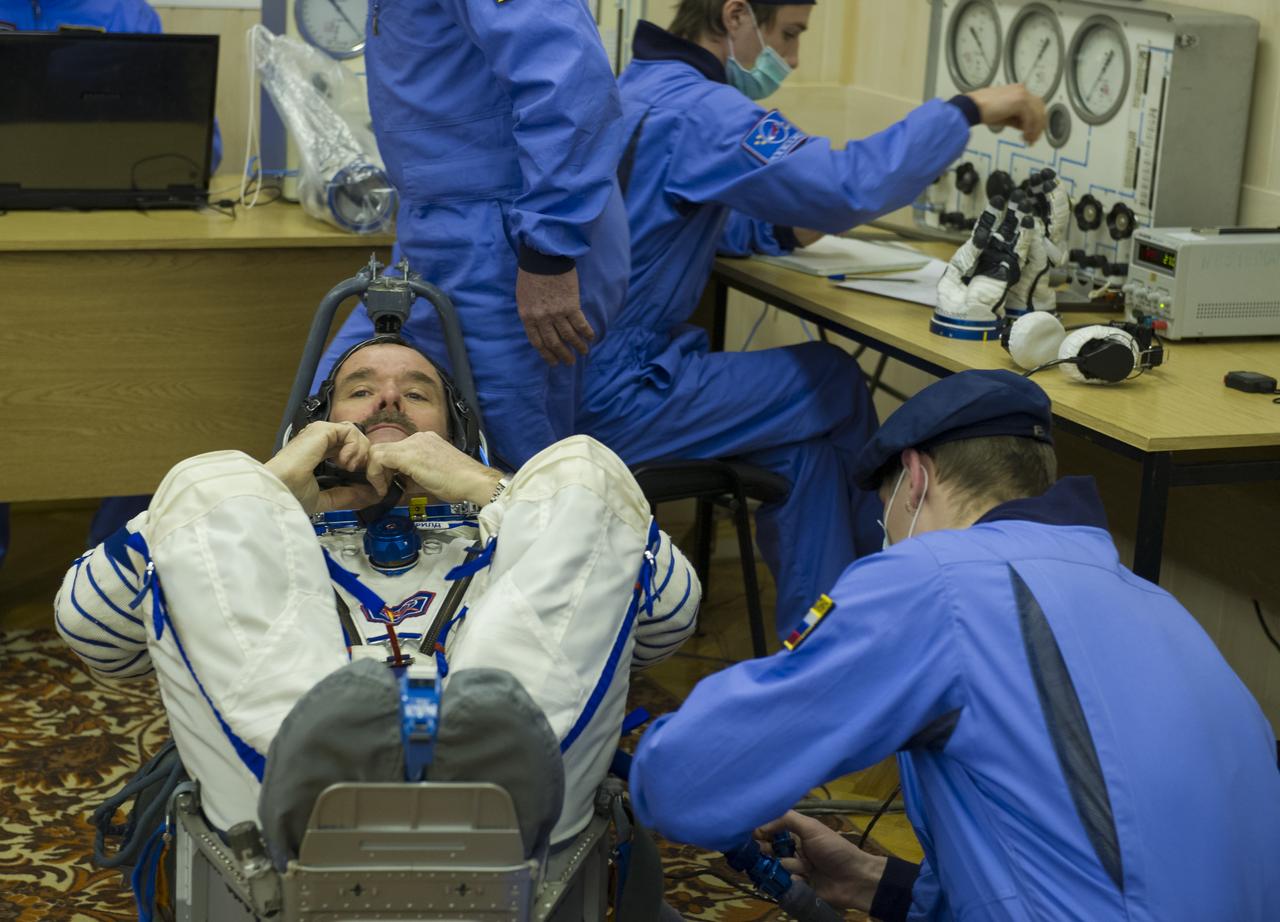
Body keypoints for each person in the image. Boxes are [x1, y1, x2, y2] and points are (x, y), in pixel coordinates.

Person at [627, 369, 1280, 920]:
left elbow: (686, 785)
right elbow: (1072, 855)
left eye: (884, 512)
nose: (887, 532)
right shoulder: (1153, 605)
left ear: (915, 480)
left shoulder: (937, 580)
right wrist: (877, 882)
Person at [54, 336, 700, 845]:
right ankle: (317, 762)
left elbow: (668, 619)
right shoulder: (243, 531)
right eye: (360, 390)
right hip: (283, 814)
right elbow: (93, 632)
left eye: (417, 393)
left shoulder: (532, 527)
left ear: (454, 434)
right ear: (317, 426)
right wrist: (269, 490)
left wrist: (493, 491)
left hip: (516, 806)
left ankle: (488, 759)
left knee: (582, 465)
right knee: (210, 474)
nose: (388, 400)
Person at [575, 0, 1047, 637]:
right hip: (615, 394)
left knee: (809, 457)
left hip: (579, 376)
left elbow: (682, 221)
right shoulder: (705, 113)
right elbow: (851, 184)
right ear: (736, 15)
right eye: (789, 34)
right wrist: (966, 110)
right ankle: (889, 601)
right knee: (831, 378)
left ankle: (820, 644)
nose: (792, 59)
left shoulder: (641, 86)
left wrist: (787, 222)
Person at [315, 0, 629, 471]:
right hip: (437, 231)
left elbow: (567, 82)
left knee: (512, 463)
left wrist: (548, 250)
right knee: (326, 431)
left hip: (509, 240)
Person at [0, 0, 224, 570]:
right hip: (11, 262)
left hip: (122, 261)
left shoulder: (127, 14)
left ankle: (114, 569)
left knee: (157, 402)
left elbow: (202, 145)